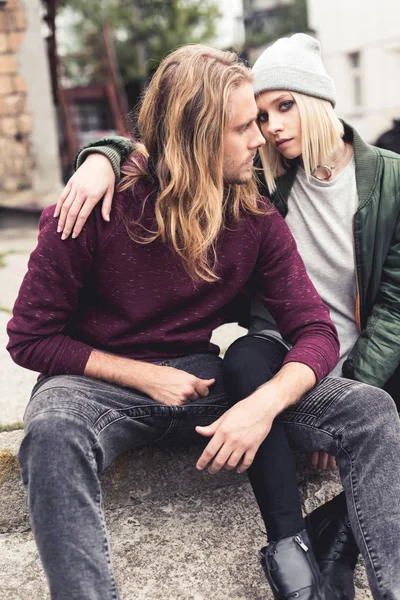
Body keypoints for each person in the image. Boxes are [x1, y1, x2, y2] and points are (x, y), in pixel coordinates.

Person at [9, 43, 400, 600]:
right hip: (91, 389)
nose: (261, 137)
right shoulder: (90, 207)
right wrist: (144, 375)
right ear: (198, 134)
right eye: (245, 126)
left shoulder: (253, 216)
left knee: (371, 410)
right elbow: (29, 338)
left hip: (202, 384)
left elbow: (315, 329)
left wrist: (260, 405)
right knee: (50, 430)